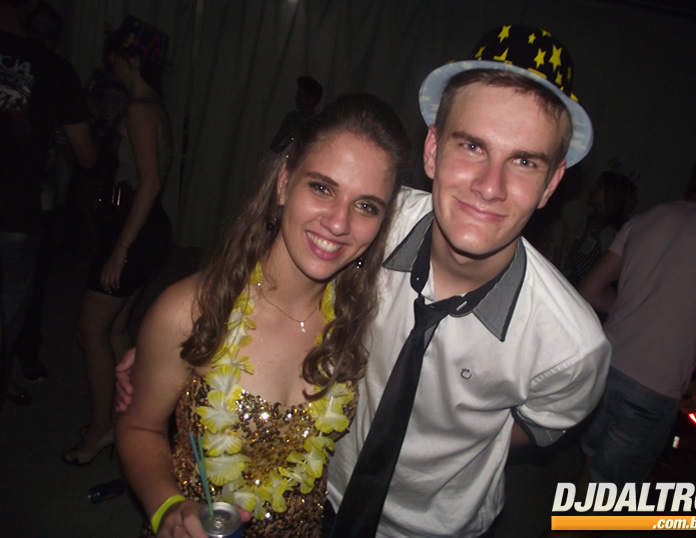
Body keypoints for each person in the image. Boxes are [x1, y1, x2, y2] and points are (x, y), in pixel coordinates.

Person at [118, 24, 611, 537]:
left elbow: (530, 431)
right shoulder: (371, 224)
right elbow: (275, 266)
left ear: (552, 182)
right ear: (433, 149)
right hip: (325, 498)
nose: (490, 186)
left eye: (524, 161)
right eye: (471, 145)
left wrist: (455, 440)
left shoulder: (572, 348)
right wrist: (166, 349)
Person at [115, 93, 410, 537]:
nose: (338, 223)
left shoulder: (362, 320)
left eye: (366, 205)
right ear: (284, 183)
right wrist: (168, 509)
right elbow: (138, 426)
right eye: (322, 188)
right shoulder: (191, 310)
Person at [62, 15, 172, 465]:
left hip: (134, 229)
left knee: (90, 330)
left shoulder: (140, 109)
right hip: (143, 228)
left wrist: (119, 251)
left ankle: (100, 429)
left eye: (116, 53)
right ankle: (129, 419)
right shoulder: (151, 104)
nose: (109, 60)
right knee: (117, 329)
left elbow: (150, 183)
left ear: (132, 59)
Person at [577, 137, 696, 487]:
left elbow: (590, 290)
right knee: (610, 498)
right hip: (653, 388)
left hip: (604, 364)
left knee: (589, 467)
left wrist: (638, 310)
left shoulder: (650, 217)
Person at [0, 0, 97, 408]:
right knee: (9, 305)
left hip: (20, 209)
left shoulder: (57, 70)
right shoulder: (55, 70)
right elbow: (88, 155)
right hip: (14, 212)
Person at [270, 75, 323, 153]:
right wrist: (285, 149)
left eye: (300, 95)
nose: (296, 98)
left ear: (311, 99)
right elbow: (274, 145)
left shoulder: (318, 122)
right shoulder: (291, 118)